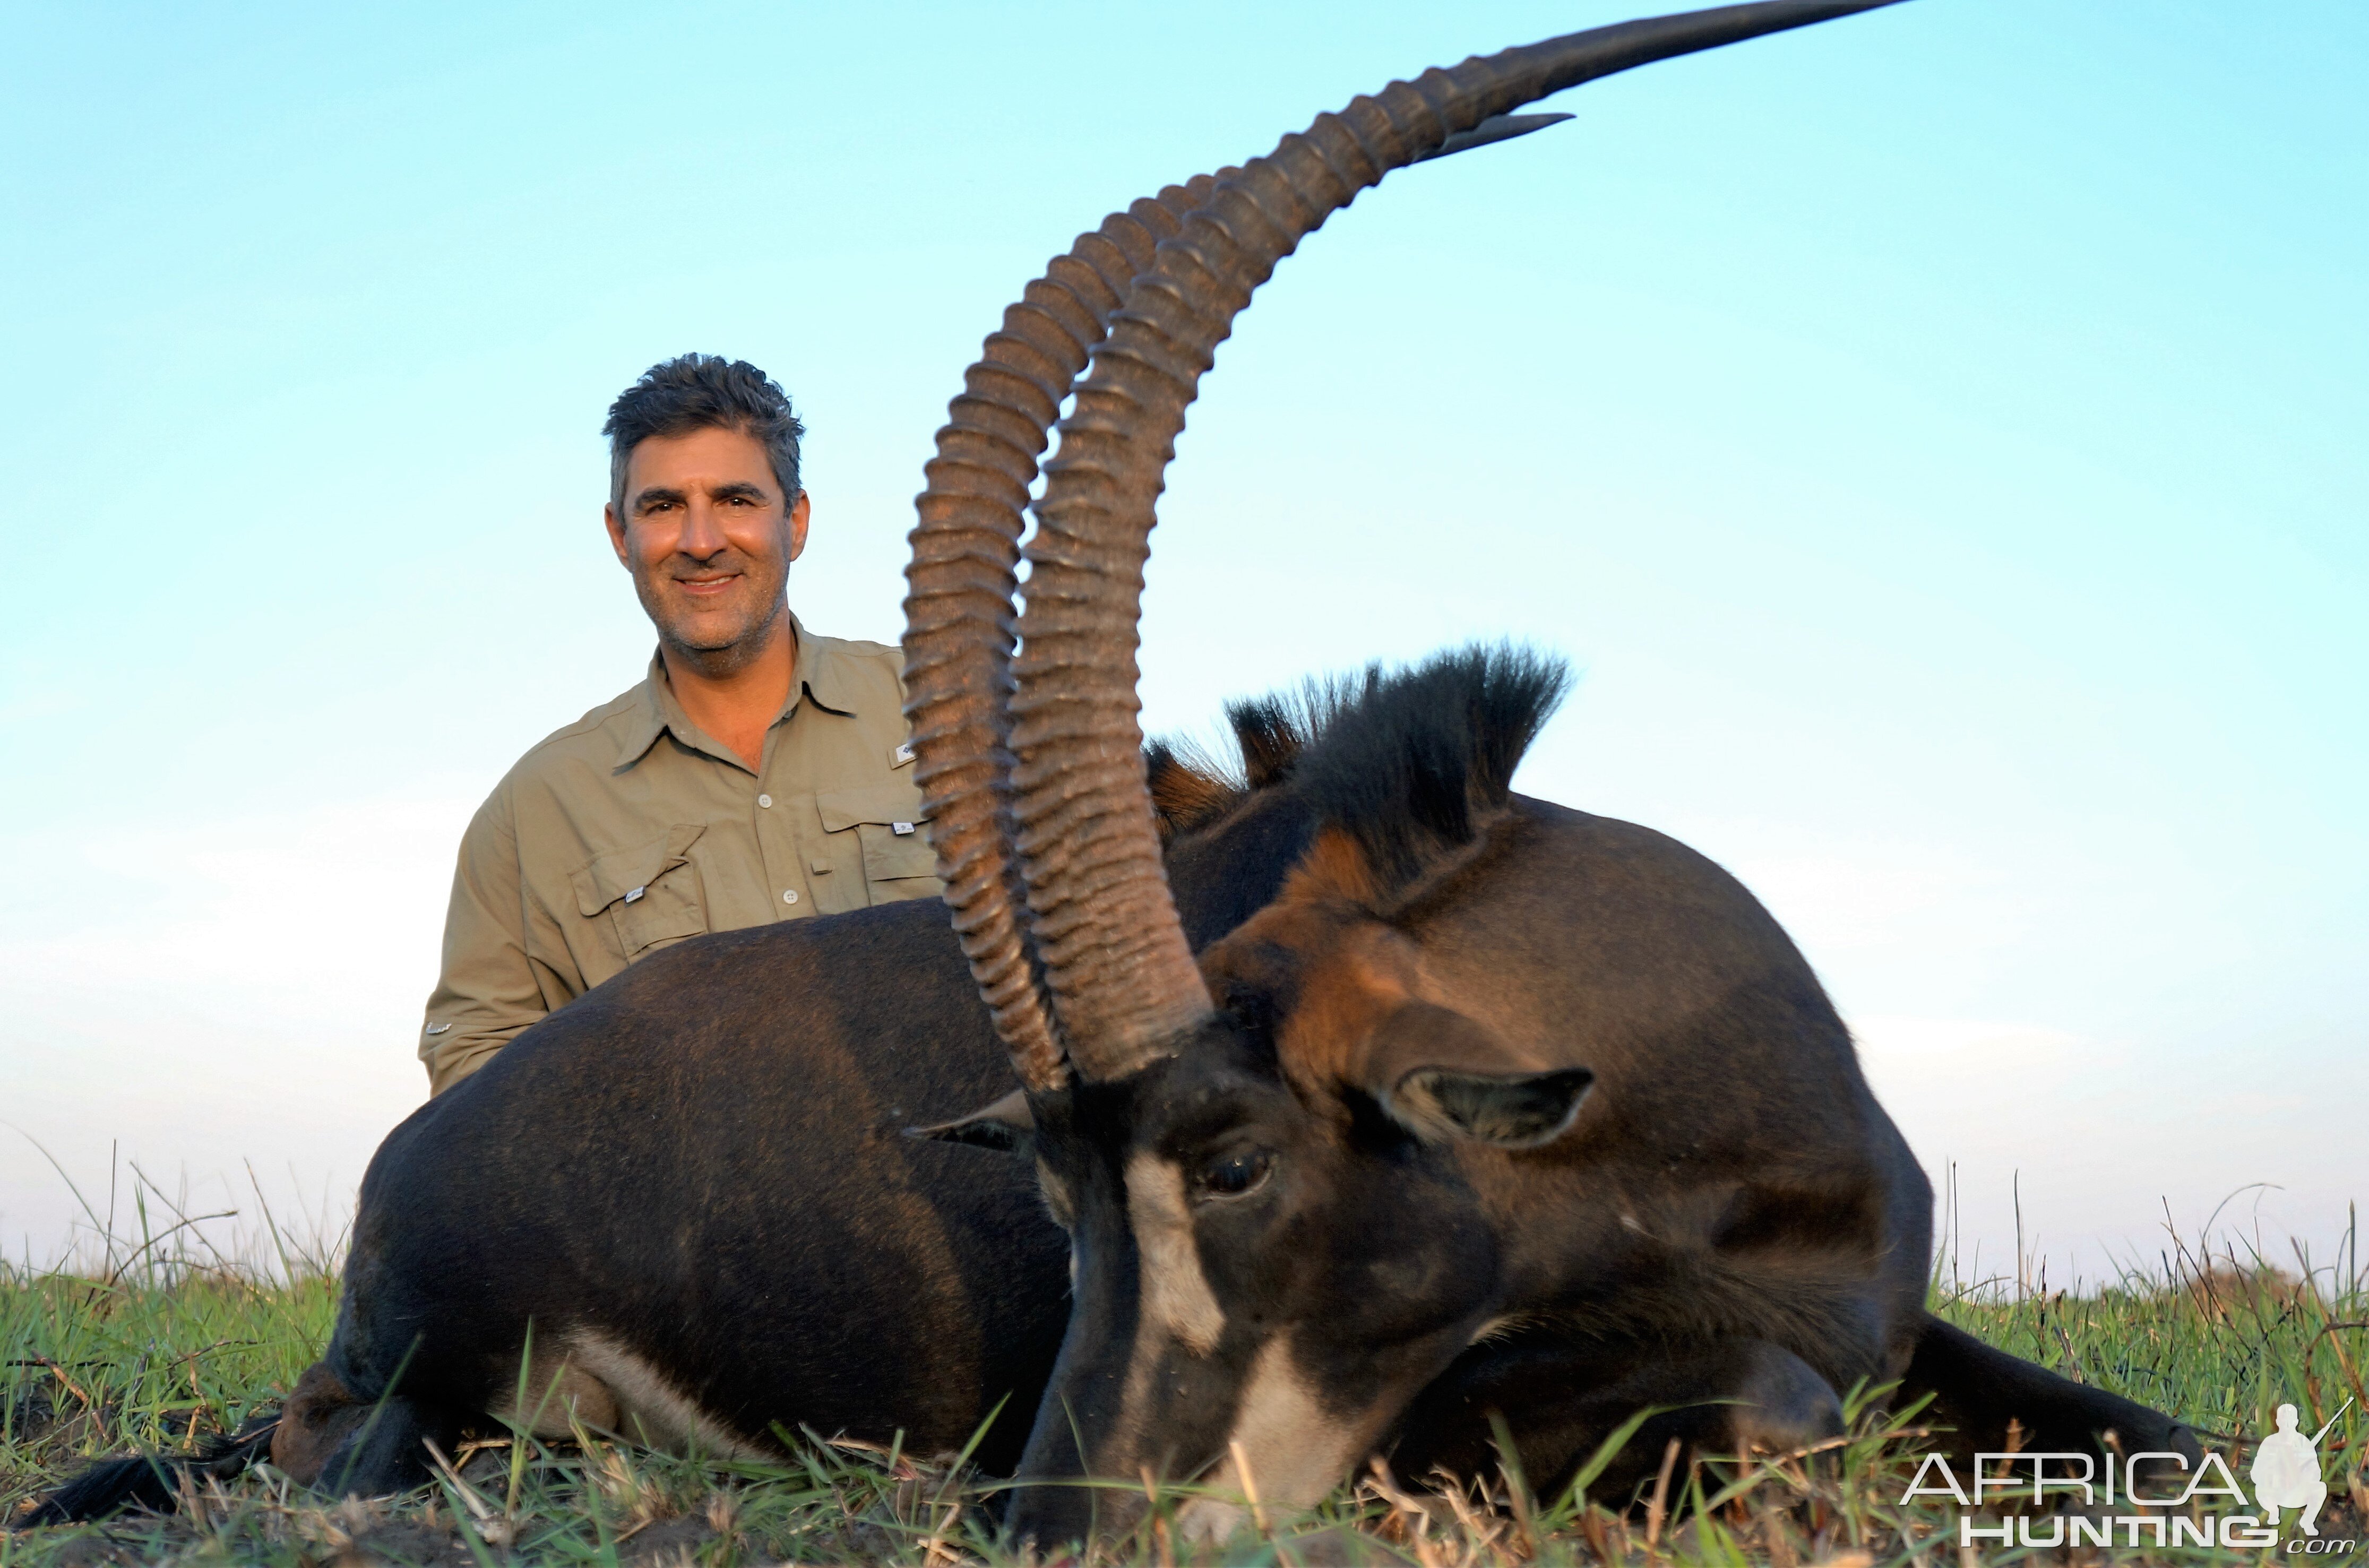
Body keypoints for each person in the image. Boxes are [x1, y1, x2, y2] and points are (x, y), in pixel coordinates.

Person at [417, 354, 940, 1093]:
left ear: (794, 521)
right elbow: (472, 1070)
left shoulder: (956, 712)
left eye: (734, 500)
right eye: (662, 506)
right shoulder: (534, 812)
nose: (699, 540)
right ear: (618, 534)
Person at [2251, 1402, 2331, 1536]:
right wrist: (2273, 1471)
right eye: (2283, 1419)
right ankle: (2273, 1512)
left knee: (2320, 1488)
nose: (2287, 1423)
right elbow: (2256, 1473)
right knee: (2261, 1488)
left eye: (2290, 1419)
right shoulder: (2270, 1443)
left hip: (2298, 1492)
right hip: (2275, 1492)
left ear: (2296, 1421)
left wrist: (2302, 1469)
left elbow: (2316, 1473)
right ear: (2277, 1421)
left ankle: (2308, 1521)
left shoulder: (2304, 1442)